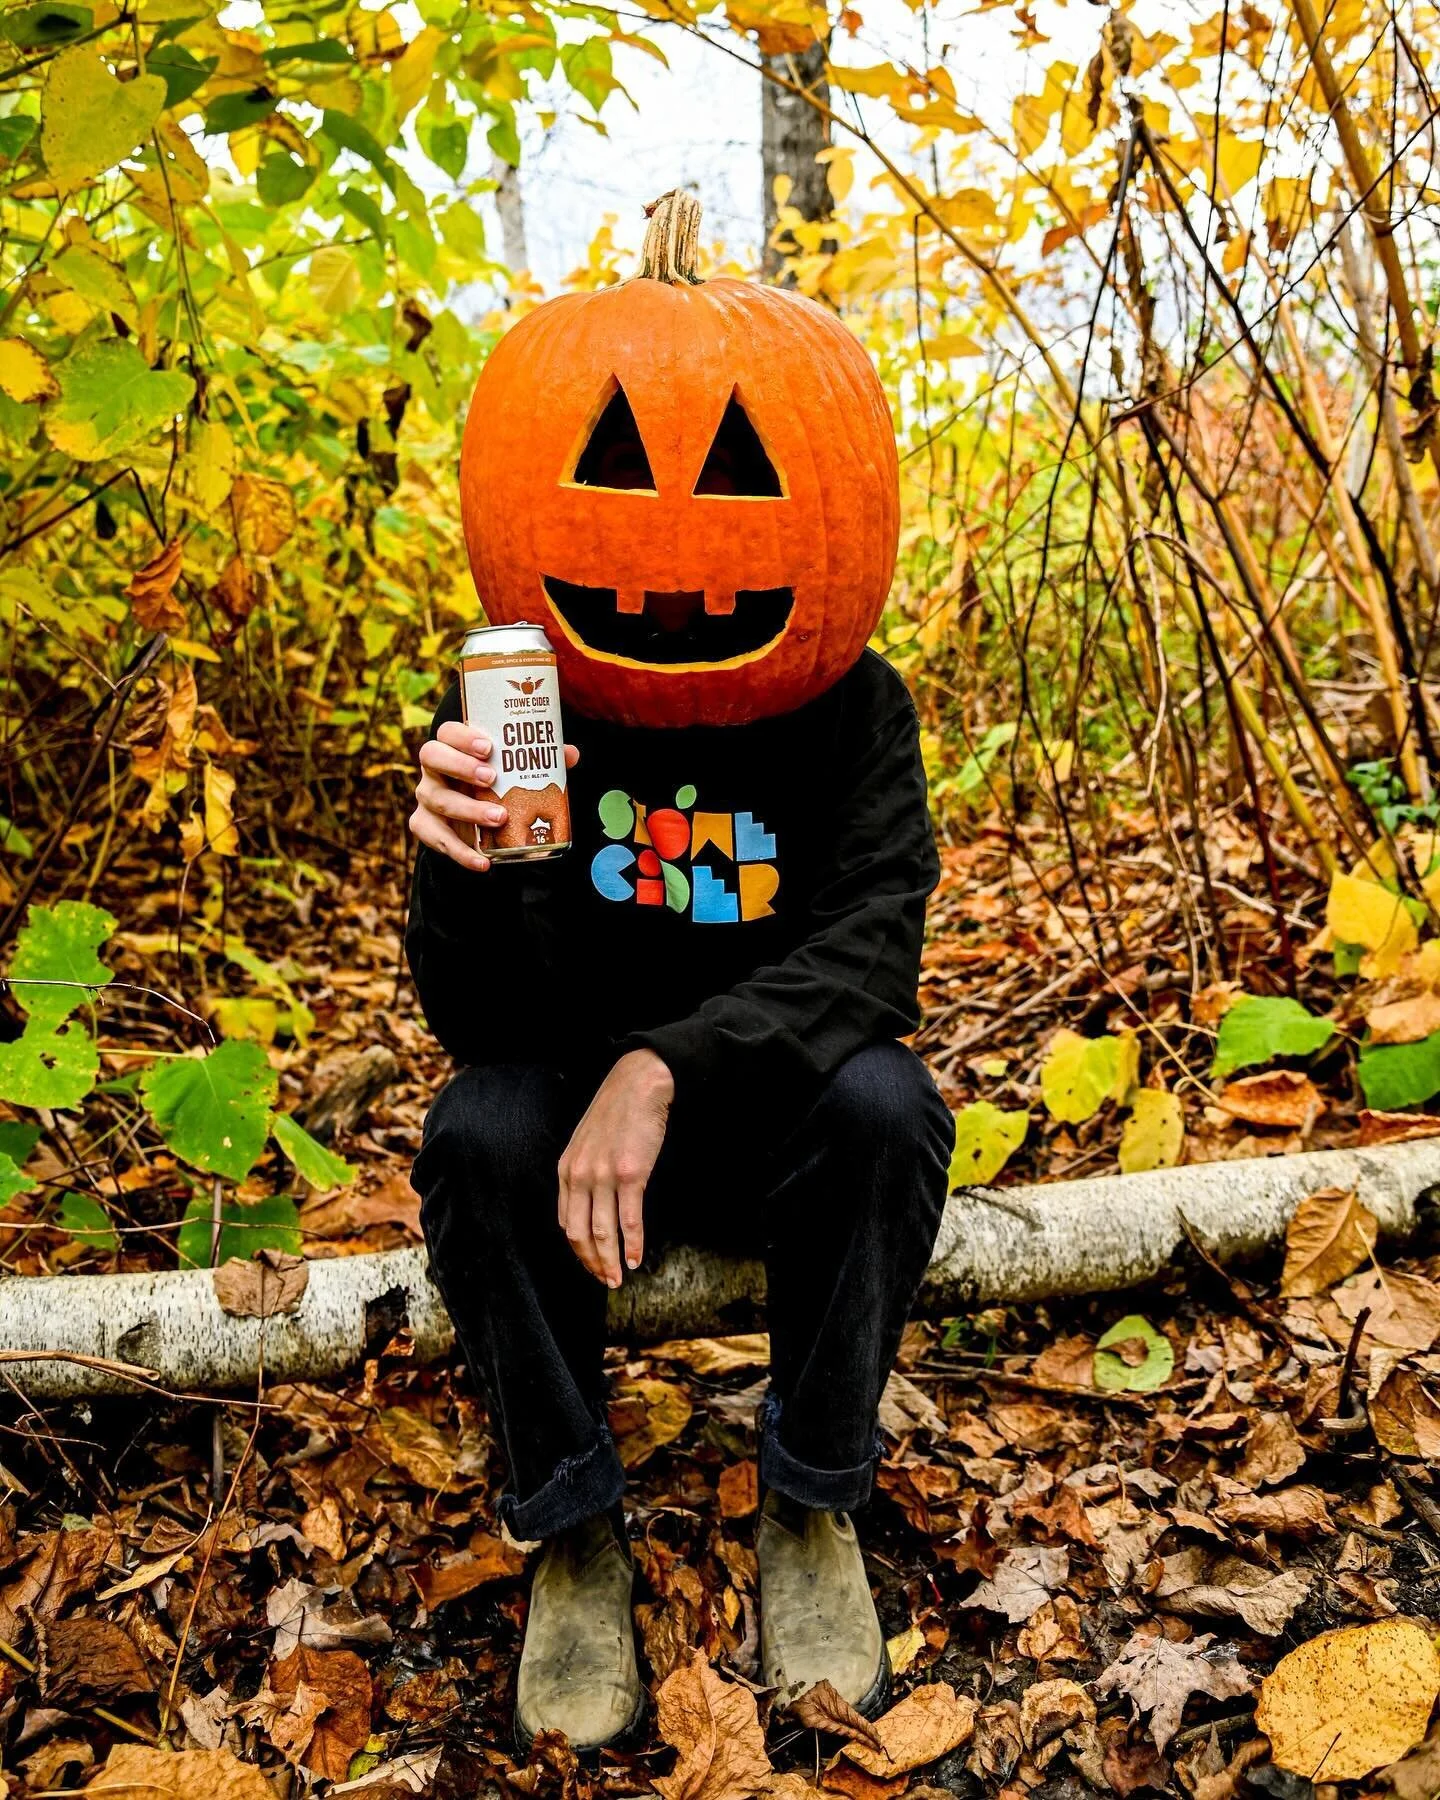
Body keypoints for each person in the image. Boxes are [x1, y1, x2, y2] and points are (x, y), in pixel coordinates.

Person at [405, 189, 951, 1755]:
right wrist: (459, 876)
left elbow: (875, 945)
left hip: (754, 1122)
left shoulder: (854, 711)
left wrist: (669, 1066)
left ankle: (811, 1502)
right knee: (473, 1130)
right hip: (577, 1152)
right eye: (617, 468)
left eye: (731, 474)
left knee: (889, 1104)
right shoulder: (506, 707)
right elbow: (477, 1030)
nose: (676, 527)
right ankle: (574, 1532)